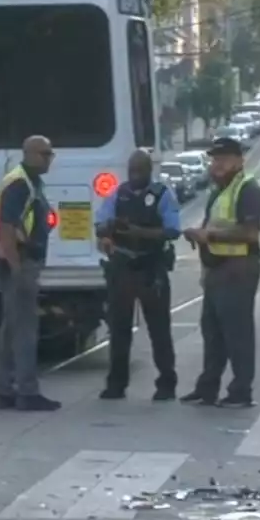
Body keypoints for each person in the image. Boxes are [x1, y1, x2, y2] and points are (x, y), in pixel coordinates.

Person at [180, 136, 260, 407]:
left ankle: (241, 391)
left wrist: (210, 236)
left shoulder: (249, 189)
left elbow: (250, 232)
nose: (216, 165)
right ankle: (207, 388)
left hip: (239, 269)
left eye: (223, 160)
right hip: (217, 269)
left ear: (239, 161)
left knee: (237, 333)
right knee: (212, 331)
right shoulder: (219, 191)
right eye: (214, 160)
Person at [0, 135, 61, 412]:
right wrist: (17, 270)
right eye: (44, 154)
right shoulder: (19, 184)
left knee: (12, 325)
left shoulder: (31, 182)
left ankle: (4, 391)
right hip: (15, 261)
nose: (49, 159)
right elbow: (6, 229)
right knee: (25, 327)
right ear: (28, 154)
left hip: (16, 260)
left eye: (50, 154)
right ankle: (27, 392)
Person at [95, 149, 181, 401]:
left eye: (140, 171)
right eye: (132, 170)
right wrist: (108, 229)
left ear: (149, 170)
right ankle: (116, 384)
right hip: (122, 267)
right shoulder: (118, 194)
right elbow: (100, 224)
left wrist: (138, 232)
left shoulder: (162, 195)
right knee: (119, 329)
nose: (135, 175)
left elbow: (172, 230)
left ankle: (166, 383)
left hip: (151, 267)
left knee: (159, 329)